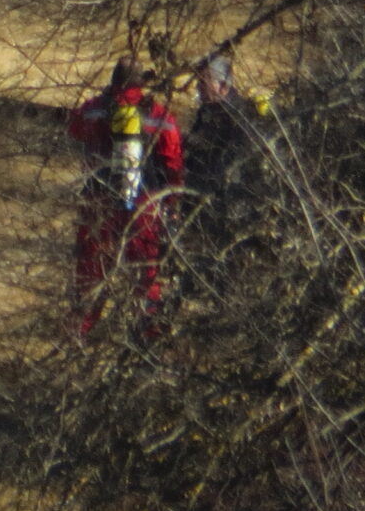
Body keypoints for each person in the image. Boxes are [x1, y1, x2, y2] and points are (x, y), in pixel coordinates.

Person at [65, 55, 184, 333]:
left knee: (90, 270)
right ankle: (148, 334)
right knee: (147, 273)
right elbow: (173, 161)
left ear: (113, 80)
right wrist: (172, 202)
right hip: (146, 204)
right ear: (142, 83)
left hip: (99, 200)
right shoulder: (159, 115)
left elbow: (73, 128)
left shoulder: (94, 109)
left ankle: (80, 332)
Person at [185, 50, 272, 216]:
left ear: (223, 86)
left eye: (203, 82)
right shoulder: (206, 112)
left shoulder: (240, 117)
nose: (198, 87)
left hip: (230, 203)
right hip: (202, 199)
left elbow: (235, 163)